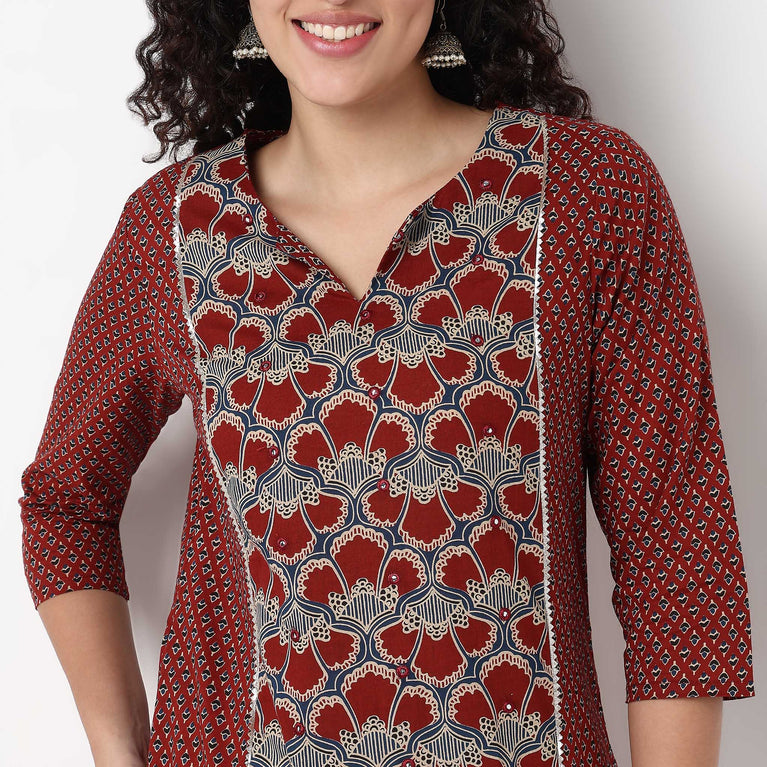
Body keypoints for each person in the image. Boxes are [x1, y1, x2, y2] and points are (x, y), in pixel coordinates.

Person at [18, 1, 756, 766]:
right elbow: (64, 503)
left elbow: (675, 549)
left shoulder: (588, 193)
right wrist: (117, 749)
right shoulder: (173, 230)